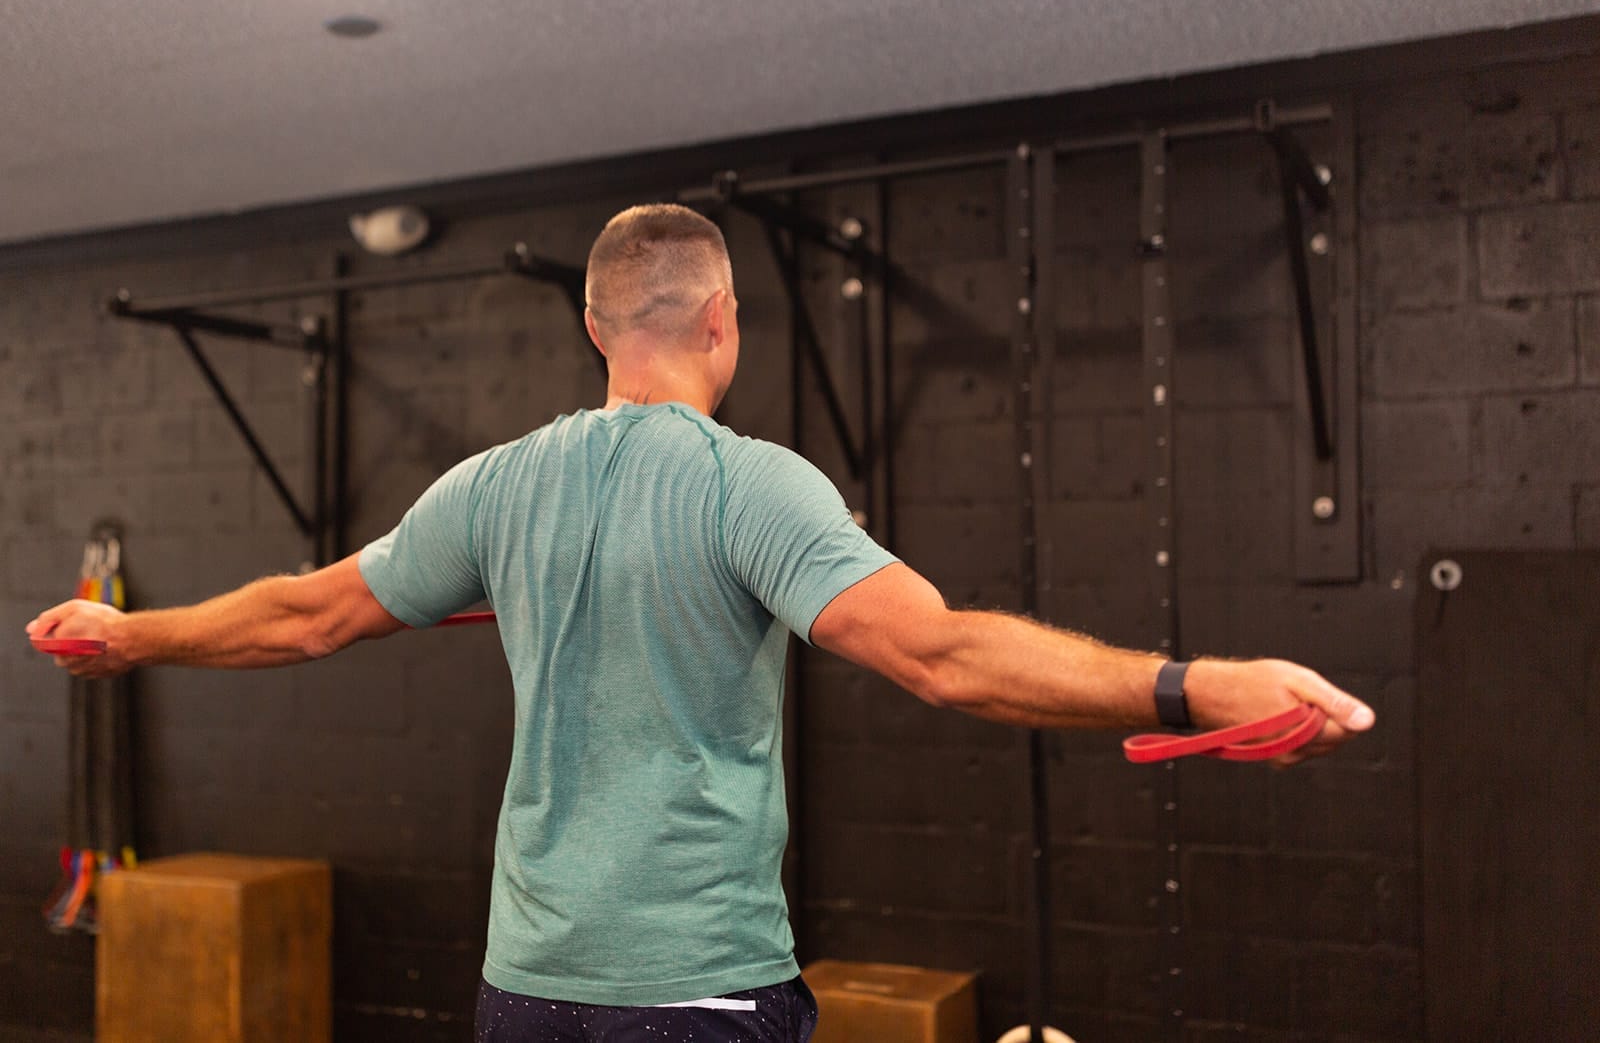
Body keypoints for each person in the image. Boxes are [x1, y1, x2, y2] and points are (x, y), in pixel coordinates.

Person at [26, 204, 1374, 1043]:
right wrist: (1203, 684)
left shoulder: (495, 487)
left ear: (594, 327)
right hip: (692, 1000)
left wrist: (132, 636)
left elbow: (309, 616)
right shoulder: (749, 485)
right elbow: (943, 653)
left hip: (527, 994)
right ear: (723, 322)